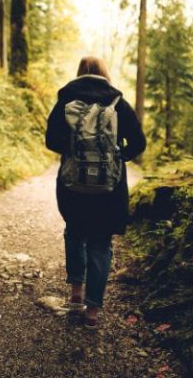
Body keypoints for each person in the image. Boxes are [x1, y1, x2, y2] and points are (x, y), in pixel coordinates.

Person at [45, 56, 146, 328]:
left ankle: (76, 295)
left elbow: (51, 141)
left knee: (75, 232)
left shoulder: (65, 103)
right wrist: (116, 157)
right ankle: (92, 312)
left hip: (72, 185)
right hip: (108, 189)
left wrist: (74, 152)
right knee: (101, 243)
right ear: (105, 74)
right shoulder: (118, 103)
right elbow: (138, 143)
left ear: (79, 74)